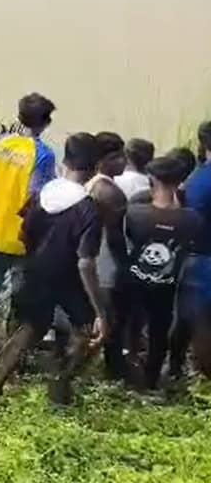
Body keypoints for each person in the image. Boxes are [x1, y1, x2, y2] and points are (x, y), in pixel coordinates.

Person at [0, 133, 107, 406]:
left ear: (65, 161)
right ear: (95, 168)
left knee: (31, 327)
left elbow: (24, 234)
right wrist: (100, 309)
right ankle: (60, 384)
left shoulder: (40, 195)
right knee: (87, 331)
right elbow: (86, 262)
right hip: (69, 278)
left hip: (34, 270)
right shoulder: (87, 209)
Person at [0, 93, 58, 354]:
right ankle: (12, 352)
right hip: (22, 234)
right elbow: (37, 196)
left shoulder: (0, 144)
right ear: (46, 122)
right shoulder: (43, 154)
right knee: (20, 294)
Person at [114, 154, 203, 389]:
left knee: (126, 324)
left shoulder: (135, 213)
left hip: (133, 279)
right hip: (166, 285)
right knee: (159, 331)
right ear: (181, 181)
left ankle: (123, 368)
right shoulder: (192, 219)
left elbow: (124, 242)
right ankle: (151, 380)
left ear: (152, 179)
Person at [87, 132, 129, 378]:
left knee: (100, 317)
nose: (123, 161)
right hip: (107, 262)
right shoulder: (110, 192)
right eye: (116, 157)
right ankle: (114, 371)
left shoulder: (92, 184)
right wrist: (126, 264)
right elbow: (115, 237)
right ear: (101, 160)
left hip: (94, 259)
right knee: (112, 320)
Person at [174, 122, 211, 377]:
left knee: (196, 319)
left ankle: (194, 372)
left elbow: (189, 223)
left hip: (200, 257)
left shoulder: (198, 180)